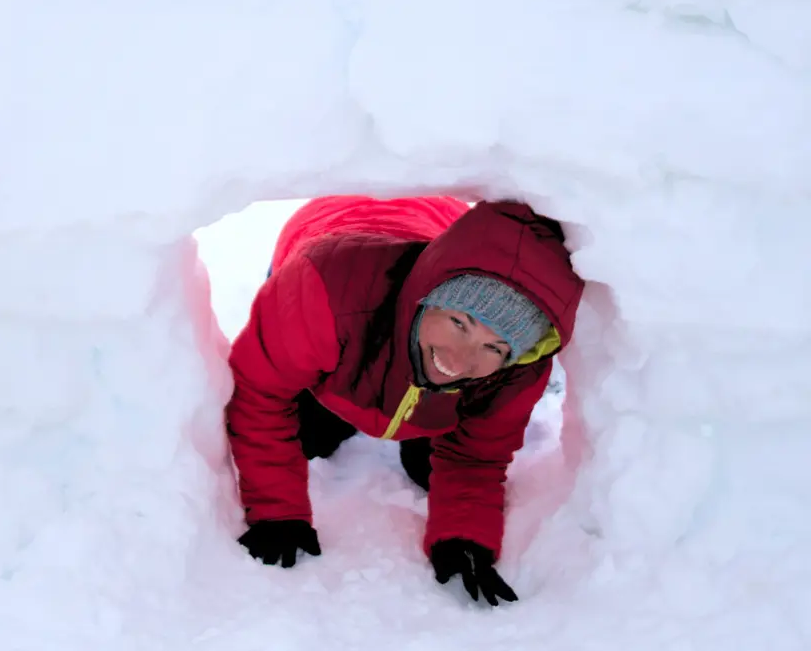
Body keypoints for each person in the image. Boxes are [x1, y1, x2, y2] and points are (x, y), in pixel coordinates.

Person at [225, 195, 585, 605]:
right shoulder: (319, 288)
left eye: (493, 347)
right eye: (458, 323)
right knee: (310, 432)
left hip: (433, 220)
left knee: (426, 466)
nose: (459, 358)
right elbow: (259, 391)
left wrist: (464, 533)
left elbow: (477, 453)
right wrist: (277, 510)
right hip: (332, 234)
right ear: (432, 291)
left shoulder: (517, 368)